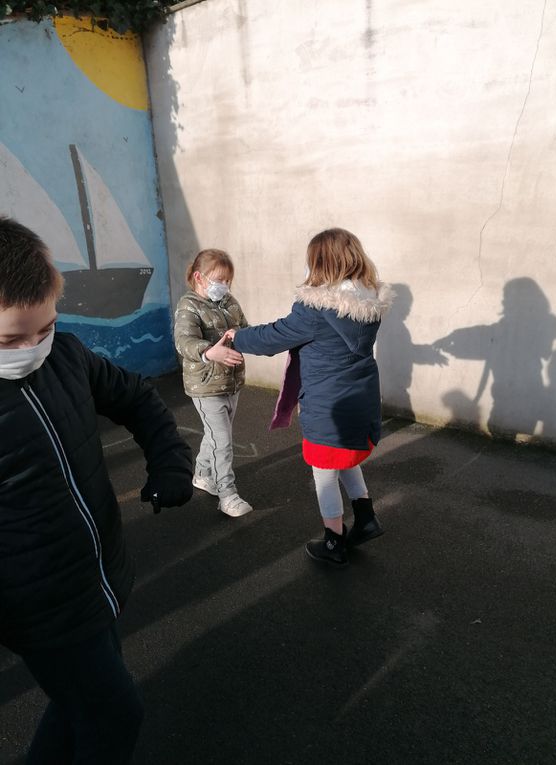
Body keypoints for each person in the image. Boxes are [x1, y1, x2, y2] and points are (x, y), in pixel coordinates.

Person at [0, 217, 194, 764]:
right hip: (39, 611)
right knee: (114, 714)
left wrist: (171, 462)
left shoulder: (68, 355)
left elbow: (136, 398)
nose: (32, 347)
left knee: (77, 705)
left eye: (45, 327)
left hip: (100, 576)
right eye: (10, 339)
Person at [228, 228, 394, 567]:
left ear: (319, 262)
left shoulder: (316, 309)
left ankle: (333, 542)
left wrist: (237, 337)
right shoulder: (367, 303)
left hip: (328, 405)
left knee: (323, 471)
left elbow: (275, 336)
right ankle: (365, 518)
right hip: (359, 403)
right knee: (345, 457)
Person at [173, 248, 253, 517]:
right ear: (199, 277)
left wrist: (241, 335)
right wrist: (209, 352)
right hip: (206, 386)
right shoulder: (189, 305)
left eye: (228, 280)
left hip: (231, 381)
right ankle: (227, 495)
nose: (225, 286)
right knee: (223, 440)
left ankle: (203, 474)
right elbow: (184, 341)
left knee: (216, 434)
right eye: (220, 280)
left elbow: (245, 326)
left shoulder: (229, 302)